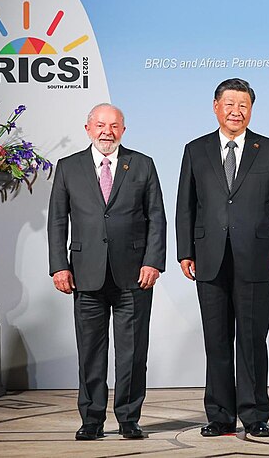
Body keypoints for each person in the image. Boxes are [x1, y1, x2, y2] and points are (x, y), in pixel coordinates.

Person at [175, 78, 269, 438]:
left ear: (251, 109)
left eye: (243, 105)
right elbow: (185, 206)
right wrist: (185, 251)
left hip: (256, 257)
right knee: (217, 340)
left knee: (253, 340)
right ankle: (220, 415)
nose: (236, 112)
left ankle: (254, 414)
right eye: (229, 104)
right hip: (209, 257)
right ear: (216, 107)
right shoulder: (195, 150)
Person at [47, 103, 166, 441]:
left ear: (123, 130)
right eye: (100, 125)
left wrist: (153, 261)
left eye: (114, 126)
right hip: (85, 274)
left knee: (132, 353)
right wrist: (59, 265)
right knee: (90, 352)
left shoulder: (142, 164)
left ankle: (129, 418)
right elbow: (57, 220)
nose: (106, 132)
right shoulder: (68, 167)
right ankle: (91, 420)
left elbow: (156, 217)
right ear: (88, 128)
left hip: (134, 275)